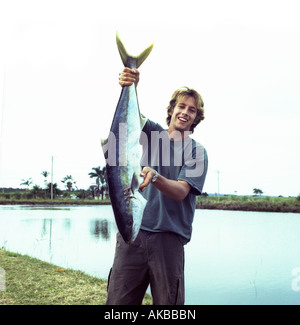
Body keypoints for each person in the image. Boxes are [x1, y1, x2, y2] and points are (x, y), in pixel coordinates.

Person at [105, 67, 208, 305]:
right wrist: (131, 85)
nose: (185, 113)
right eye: (181, 106)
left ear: (196, 117)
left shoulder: (197, 151)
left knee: (168, 306)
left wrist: (156, 177)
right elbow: (128, 121)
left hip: (169, 240)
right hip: (132, 232)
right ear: (172, 110)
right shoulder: (152, 134)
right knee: (118, 303)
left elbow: (182, 191)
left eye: (192, 110)